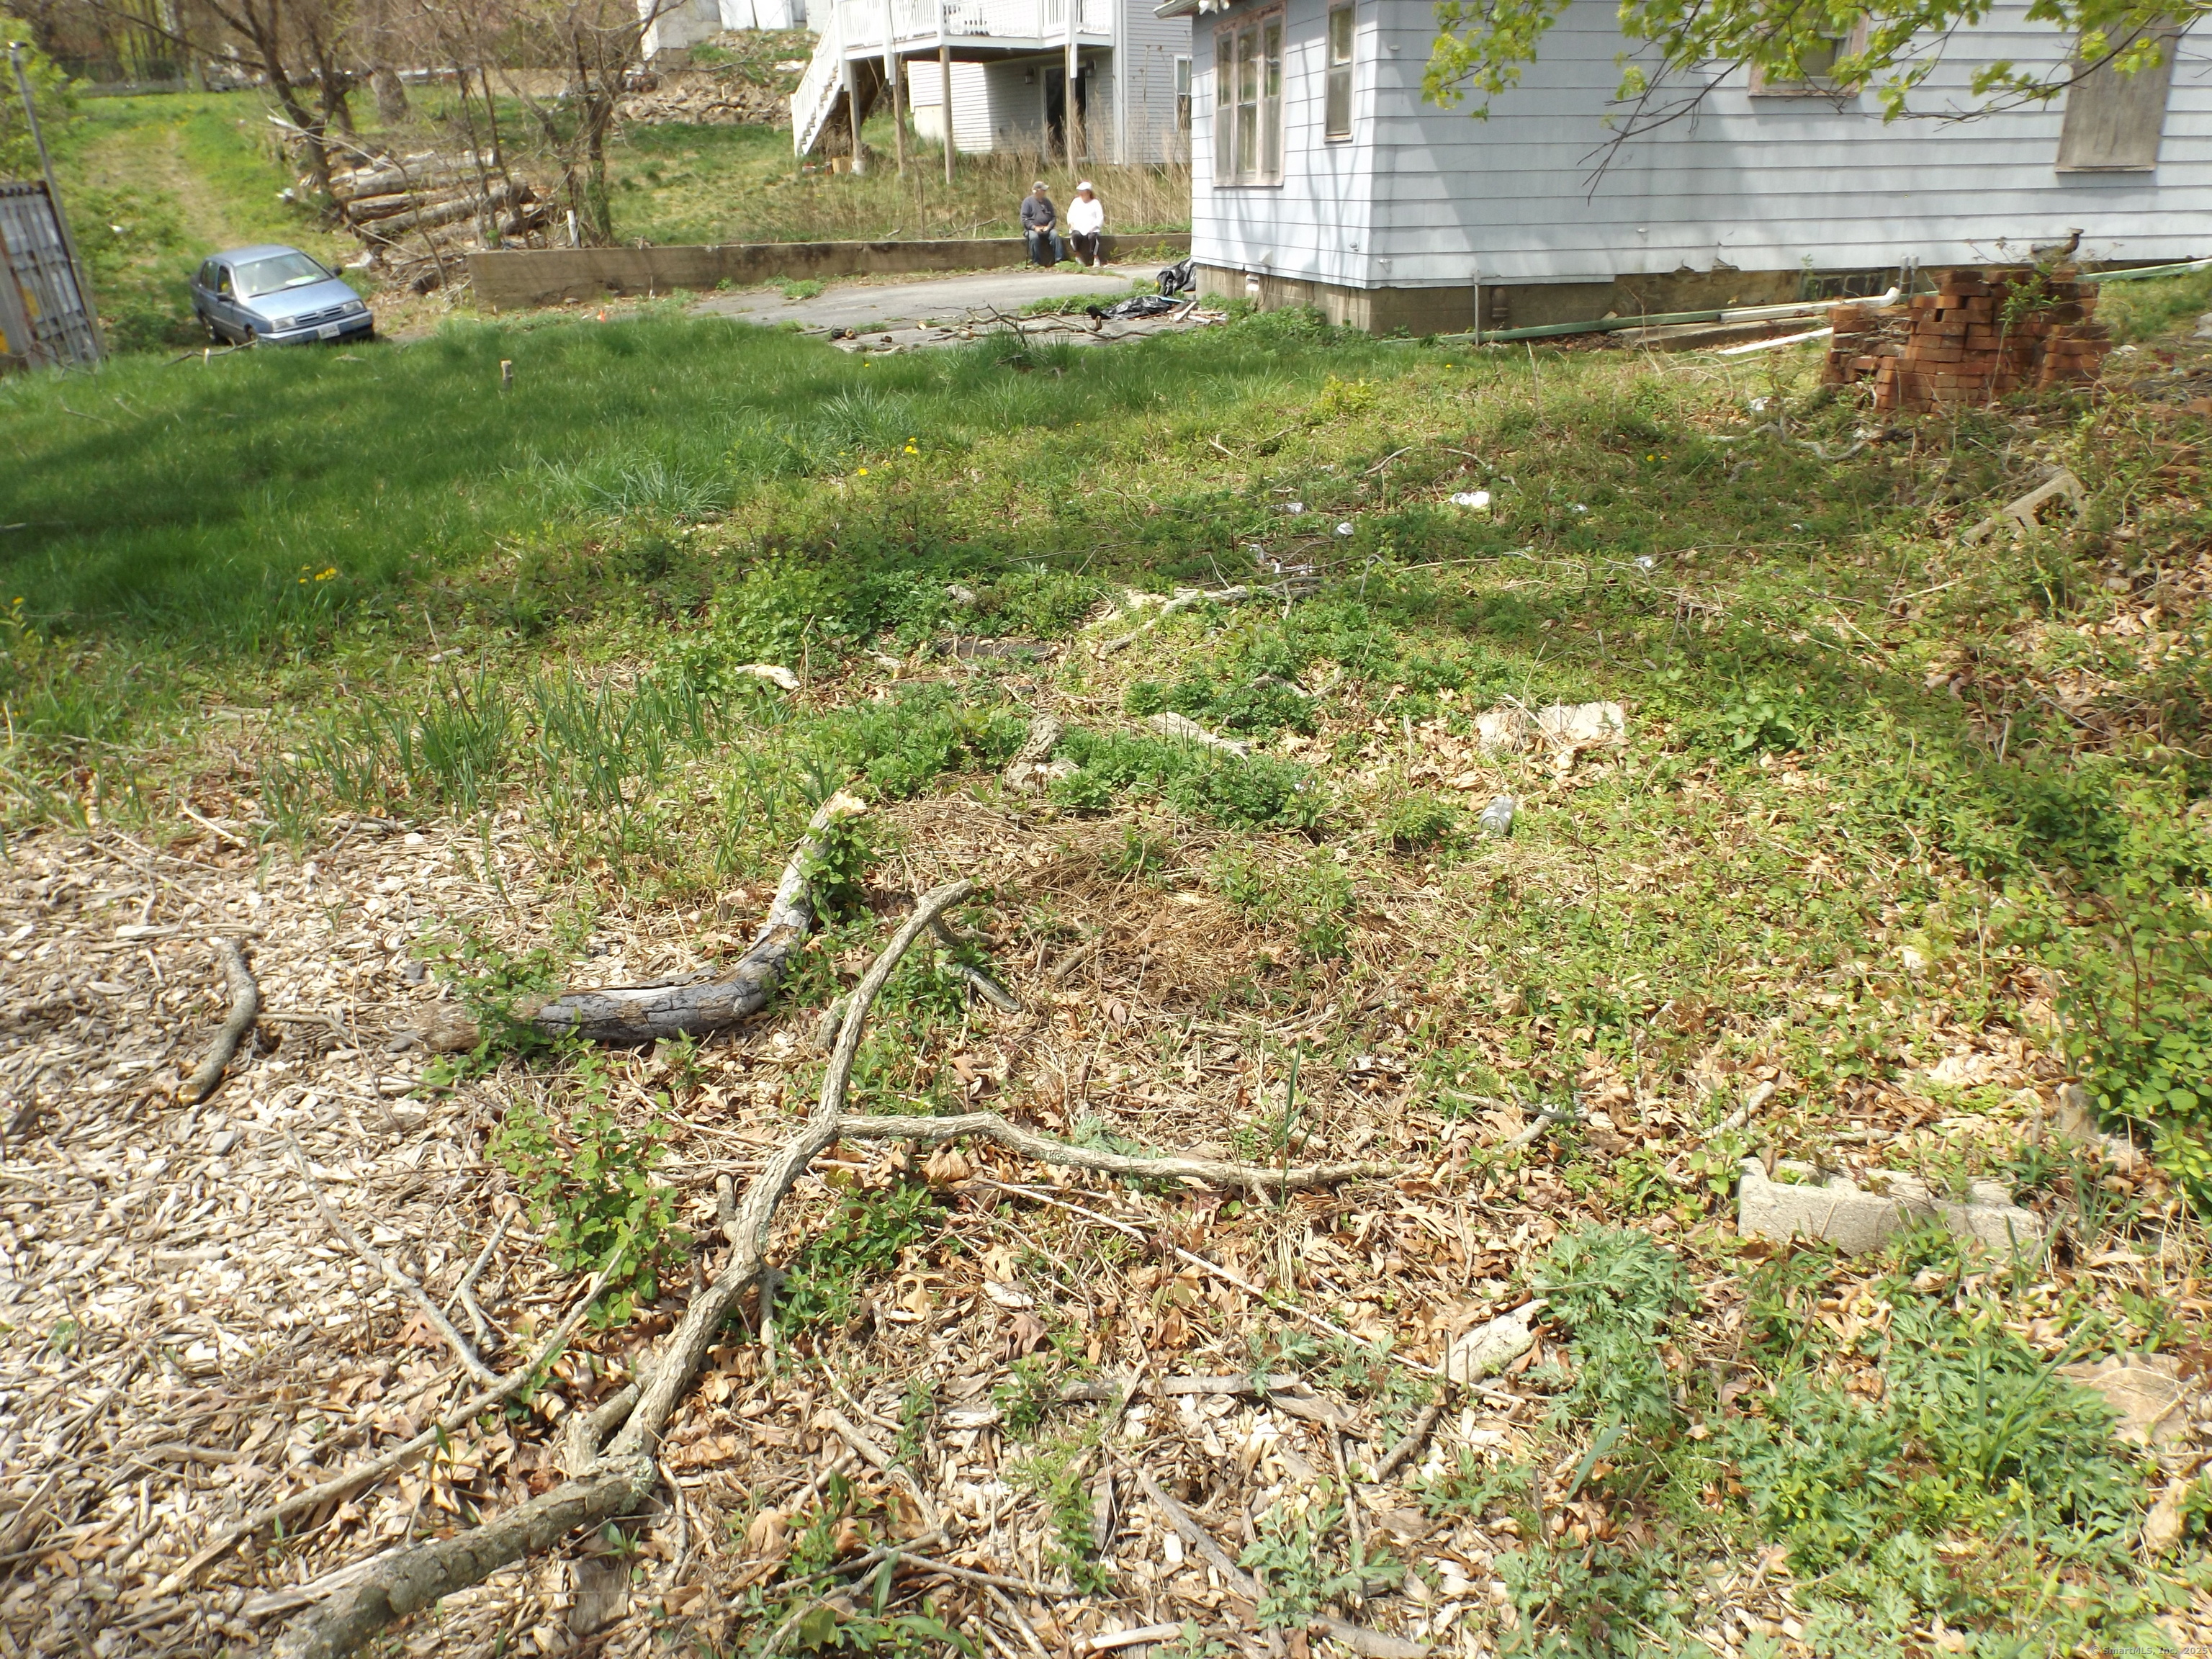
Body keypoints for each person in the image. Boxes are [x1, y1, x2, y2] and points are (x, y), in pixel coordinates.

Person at [1021, 182, 1064, 266]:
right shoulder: (1027, 202)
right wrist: (1034, 228)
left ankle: (1059, 260)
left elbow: (1053, 217)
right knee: (1034, 238)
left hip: (1047, 228)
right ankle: (1036, 262)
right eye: (1043, 190)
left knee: (1055, 235)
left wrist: (1049, 226)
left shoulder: (1047, 202)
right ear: (1036, 191)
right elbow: (1024, 219)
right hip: (1032, 230)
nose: (1044, 192)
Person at [1066, 181, 1105, 268]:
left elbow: (1100, 217)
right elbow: (1070, 214)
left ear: (1088, 192)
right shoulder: (1076, 202)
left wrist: (1094, 226)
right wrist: (1071, 223)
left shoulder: (1095, 203)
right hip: (1078, 227)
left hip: (1091, 228)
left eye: (1083, 192)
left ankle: (1095, 258)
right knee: (1076, 236)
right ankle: (1078, 256)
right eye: (1080, 192)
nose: (1081, 194)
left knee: (1092, 237)